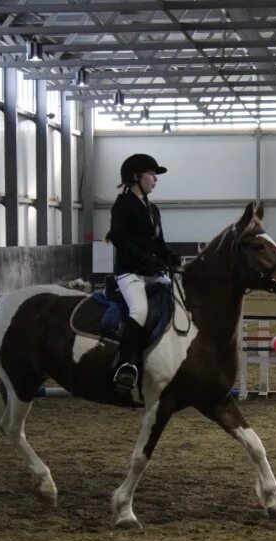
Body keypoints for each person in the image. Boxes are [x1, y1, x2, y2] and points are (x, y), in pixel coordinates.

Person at [106, 153, 181, 393]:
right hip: (130, 273)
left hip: (153, 270)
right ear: (135, 176)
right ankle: (126, 364)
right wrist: (145, 259)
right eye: (151, 174)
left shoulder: (152, 209)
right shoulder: (122, 205)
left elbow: (158, 242)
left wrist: (169, 256)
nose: (155, 179)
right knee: (139, 311)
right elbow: (119, 239)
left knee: (178, 301)